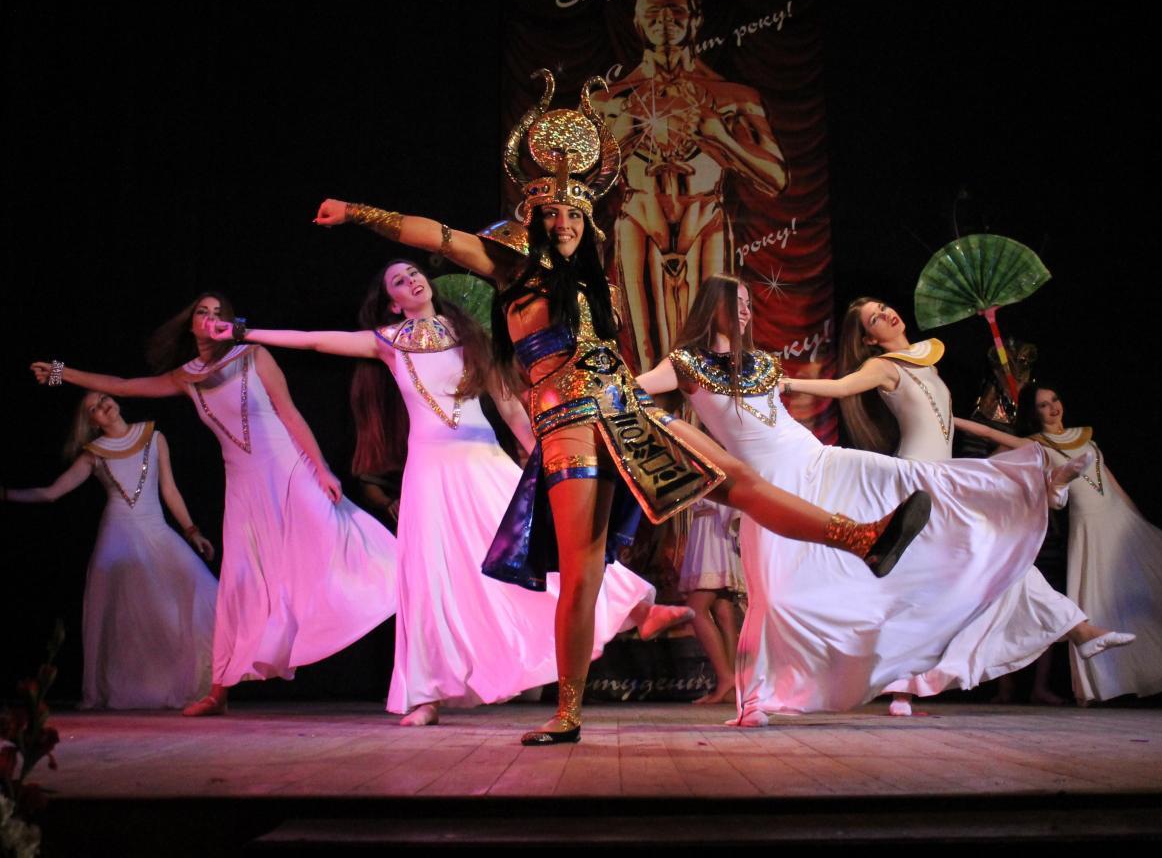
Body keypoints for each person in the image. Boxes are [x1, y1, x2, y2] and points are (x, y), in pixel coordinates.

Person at [313, 70, 931, 744]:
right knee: (582, 573)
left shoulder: (593, 288)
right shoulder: (513, 269)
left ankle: (864, 539)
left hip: (628, 414)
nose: (565, 224)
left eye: (576, 216)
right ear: (533, 221)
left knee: (740, 483)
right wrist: (356, 212)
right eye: (554, 215)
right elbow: (435, 235)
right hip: (569, 429)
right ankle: (568, 713)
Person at [207, 259, 693, 726]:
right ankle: (425, 696)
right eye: (399, 281)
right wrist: (246, 333)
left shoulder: (469, 334)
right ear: (393, 302)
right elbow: (315, 341)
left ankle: (640, 609)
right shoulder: (389, 341)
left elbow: (510, 405)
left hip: (482, 460)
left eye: (414, 273)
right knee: (430, 582)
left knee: (541, 544)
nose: (411, 280)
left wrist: (539, 455)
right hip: (429, 473)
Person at [30, 292, 399, 716]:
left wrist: (322, 468)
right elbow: (123, 385)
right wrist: (60, 373)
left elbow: (290, 414)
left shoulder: (254, 355)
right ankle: (219, 692)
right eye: (202, 312)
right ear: (191, 325)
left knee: (335, 536)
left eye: (218, 312)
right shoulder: (186, 376)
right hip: (243, 484)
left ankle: (407, 583)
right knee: (239, 581)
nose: (210, 318)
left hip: (288, 467)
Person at [782, 296, 1134, 714]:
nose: (887, 314)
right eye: (874, 318)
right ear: (869, 338)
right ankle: (1077, 621)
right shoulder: (884, 366)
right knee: (980, 563)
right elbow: (842, 387)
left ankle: (1075, 630)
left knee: (971, 570)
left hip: (943, 479)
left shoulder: (926, 363)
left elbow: (944, 422)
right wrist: (788, 384)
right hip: (920, 482)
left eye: (884, 307)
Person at [594, 0, 790, 374]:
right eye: (654, 13)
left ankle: (711, 415)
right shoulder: (609, 100)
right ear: (637, 23)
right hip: (640, 220)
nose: (665, 21)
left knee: (712, 348)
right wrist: (622, 137)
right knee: (649, 355)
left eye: (676, 11)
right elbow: (581, 185)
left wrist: (721, 137)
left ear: (696, 20)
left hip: (705, 219)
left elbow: (776, 177)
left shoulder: (733, 95)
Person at [3, 393, 217, 709]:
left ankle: (178, 680)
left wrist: (192, 531)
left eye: (104, 399)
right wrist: (7, 494)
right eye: (94, 408)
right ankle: (136, 686)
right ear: (92, 422)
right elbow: (52, 493)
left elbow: (169, 490)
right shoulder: (94, 454)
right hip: (118, 533)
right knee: (124, 613)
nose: (103, 406)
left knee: (192, 590)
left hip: (155, 529)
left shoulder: (154, 436)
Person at [965, 384, 1162, 703]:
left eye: (1055, 400)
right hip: (1088, 526)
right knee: (1099, 599)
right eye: (1043, 405)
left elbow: (1111, 484)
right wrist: (951, 420)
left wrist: (1137, 519)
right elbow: (992, 440)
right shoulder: (1037, 444)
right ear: (1035, 414)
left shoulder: (1087, 439)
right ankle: (1102, 682)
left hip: (1119, 518)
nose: (1052, 408)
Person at [677, 498, 744, 705]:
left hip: (712, 534)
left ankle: (725, 677)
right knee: (723, 611)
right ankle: (731, 687)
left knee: (696, 609)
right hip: (713, 530)